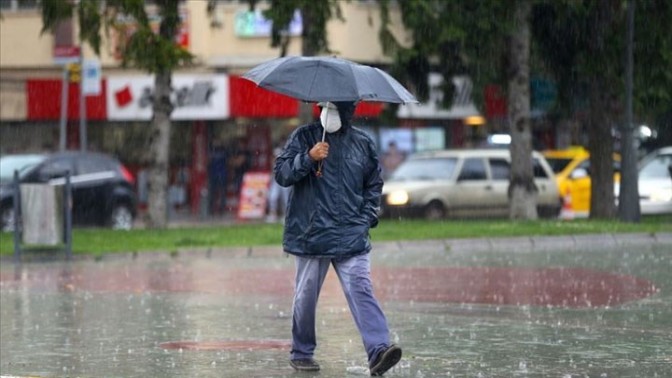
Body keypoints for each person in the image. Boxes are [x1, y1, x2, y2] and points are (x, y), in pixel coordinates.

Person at [274, 101, 402, 376]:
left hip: (351, 235)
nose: (329, 114)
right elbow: (282, 174)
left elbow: (373, 184)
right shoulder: (303, 137)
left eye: (336, 108)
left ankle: (378, 350)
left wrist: (367, 217)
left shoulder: (362, 144)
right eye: (324, 107)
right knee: (305, 297)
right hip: (312, 234)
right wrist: (308, 157)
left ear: (348, 111)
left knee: (361, 288)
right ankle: (302, 351)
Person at [266, 145, 290, 223]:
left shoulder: (285, 162)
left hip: (284, 182)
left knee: (285, 199)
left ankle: (286, 216)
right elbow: (272, 174)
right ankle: (273, 214)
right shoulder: (273, 163)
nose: (276, 157)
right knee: (272, 197)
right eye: (275, 156)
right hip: (275, 182)